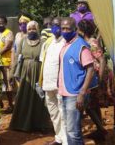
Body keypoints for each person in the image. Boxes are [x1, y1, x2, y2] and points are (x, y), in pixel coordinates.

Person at [77, 20, 115, 141]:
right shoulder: (87, 41)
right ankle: (100, 131)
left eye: (78, 29)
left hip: (98, 75)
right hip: (95, 76)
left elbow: (101, 60)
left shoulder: (92, 43)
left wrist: (100, 80)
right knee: (93, 104)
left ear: (82, 30)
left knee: (89, 105)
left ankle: (101, 129)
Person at [58, 17, 96, 145]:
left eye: (68, 28)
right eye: (63, 28)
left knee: (73, 131)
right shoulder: (66, 44)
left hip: (75, 93)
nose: (65, 31)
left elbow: (90, 68)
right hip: (66, 92)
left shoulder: (81, 46)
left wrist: (82, 92)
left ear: (75, 29)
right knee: (70, 129)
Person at [9, 20, 50, 132]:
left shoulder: (43, 42)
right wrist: (12, 74)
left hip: (38, 71)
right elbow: (18, 57)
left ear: (37, 29)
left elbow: (46, 59)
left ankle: (40, 124)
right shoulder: (22, 41)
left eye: (33, 28)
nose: (31, 31)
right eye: (29, 29)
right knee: (24, 96)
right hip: (25, 73)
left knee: (39, 97)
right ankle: (22, 124)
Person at [38, 17, 67, 145]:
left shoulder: (66, 42)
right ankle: (58, 138)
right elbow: (42, 62)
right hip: (47, 83)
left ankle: (66, 141)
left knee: (63, 113)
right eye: (53, 25)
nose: (55, 28)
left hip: (60, 84)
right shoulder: (47, 42)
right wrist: (40, 82)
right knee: (54, 113)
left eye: (58, 25)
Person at [0, 15, 14, 112]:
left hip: (5, 63)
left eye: (2, 23)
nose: (0, 25)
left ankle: (10, 105)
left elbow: (7, 47)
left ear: (5, 23)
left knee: (7, 84)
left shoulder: (9, 33)